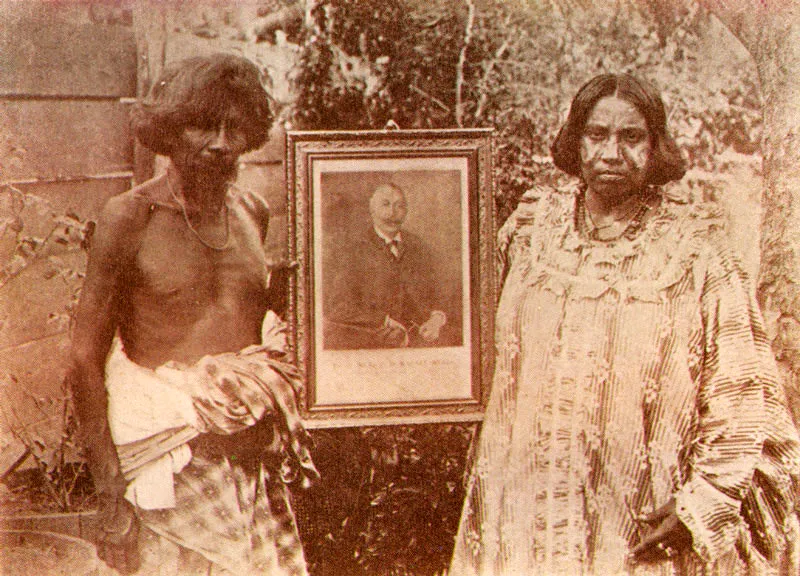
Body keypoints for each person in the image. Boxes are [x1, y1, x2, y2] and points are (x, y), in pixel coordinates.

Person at [450, 73, 800, 575]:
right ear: (576, 140)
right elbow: (476, 340)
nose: (611, 153)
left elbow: (745, 390)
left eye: (631, 137)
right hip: (527, 505)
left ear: (656, 146)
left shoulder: (699, 249)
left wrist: (701, 503)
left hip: (638, 517)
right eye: (596, 135)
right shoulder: (531, 232)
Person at [66, 53, 317, 575]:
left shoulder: (252, 213)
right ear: (169, 130)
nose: (220, 143)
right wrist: (110, 492)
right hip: (169, 471)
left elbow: (256, 335)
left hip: (250, 468)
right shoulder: (128, 218)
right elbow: (85, 358)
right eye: (203, 125)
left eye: (235, 128)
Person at [323, 183, 448, 349]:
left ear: (407, 211)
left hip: (419, 342)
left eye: (400, 206)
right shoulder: (353, 250)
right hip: (372, 342)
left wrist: (436, 320)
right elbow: (337, 307)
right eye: (385, 204)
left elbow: (438, 295)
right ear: (372, 210)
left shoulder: (418, 247)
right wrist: (383, 321)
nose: (392, 213)